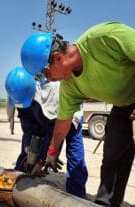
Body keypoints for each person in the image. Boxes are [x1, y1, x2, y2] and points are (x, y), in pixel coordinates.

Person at [20, 22, 135, 207]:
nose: (48, 80)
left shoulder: (101, 38)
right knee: (113, 159)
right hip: (125, 102)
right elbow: (63, 121)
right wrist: (52, 153)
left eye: (45, 74)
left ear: (57, 58)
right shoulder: (70, 85)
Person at [5, 66, 88, 198]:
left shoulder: (51, 92)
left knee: (73, 147)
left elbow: (54, 132)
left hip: (69, 112)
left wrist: (45, 158)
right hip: (44, 111)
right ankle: (21, 171)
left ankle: (76, 193)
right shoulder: (15, 91)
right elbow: (28, 130)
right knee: (29, 145)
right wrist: (28, 151)